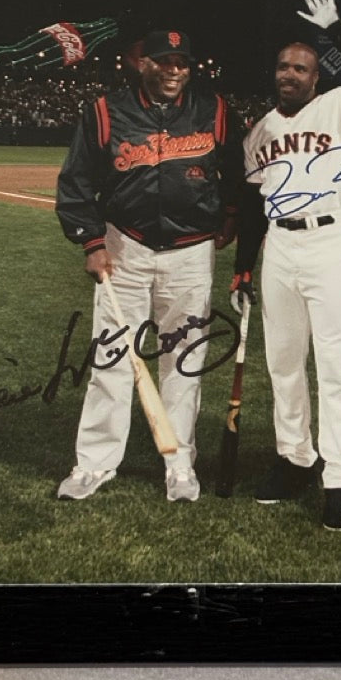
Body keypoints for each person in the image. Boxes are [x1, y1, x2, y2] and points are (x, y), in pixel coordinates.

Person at [55, 28, 243, 502]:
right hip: (126, 249)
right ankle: (94, 463)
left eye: (182, 63)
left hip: (191, 254)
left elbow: (239, 172)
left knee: (185, 362)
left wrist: (231, 214)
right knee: (112, 358)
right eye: (165, 61)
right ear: (143, 64)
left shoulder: (214, 110)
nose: (175, 70)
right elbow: (76, 181)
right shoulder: (106, 111)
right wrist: (91, 242)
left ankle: (180, 466)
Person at [231, 0, 341, 530]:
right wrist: (242, 266)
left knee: (334, 363)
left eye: (301, 68)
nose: (290, 74)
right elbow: (252, 206)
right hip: (279, 245)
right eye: (283, 66)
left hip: (331, 242)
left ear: (316, 77)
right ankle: (295, 457)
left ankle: (340, 475)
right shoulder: (260, 131)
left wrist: (337, 32)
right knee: (282, 360)